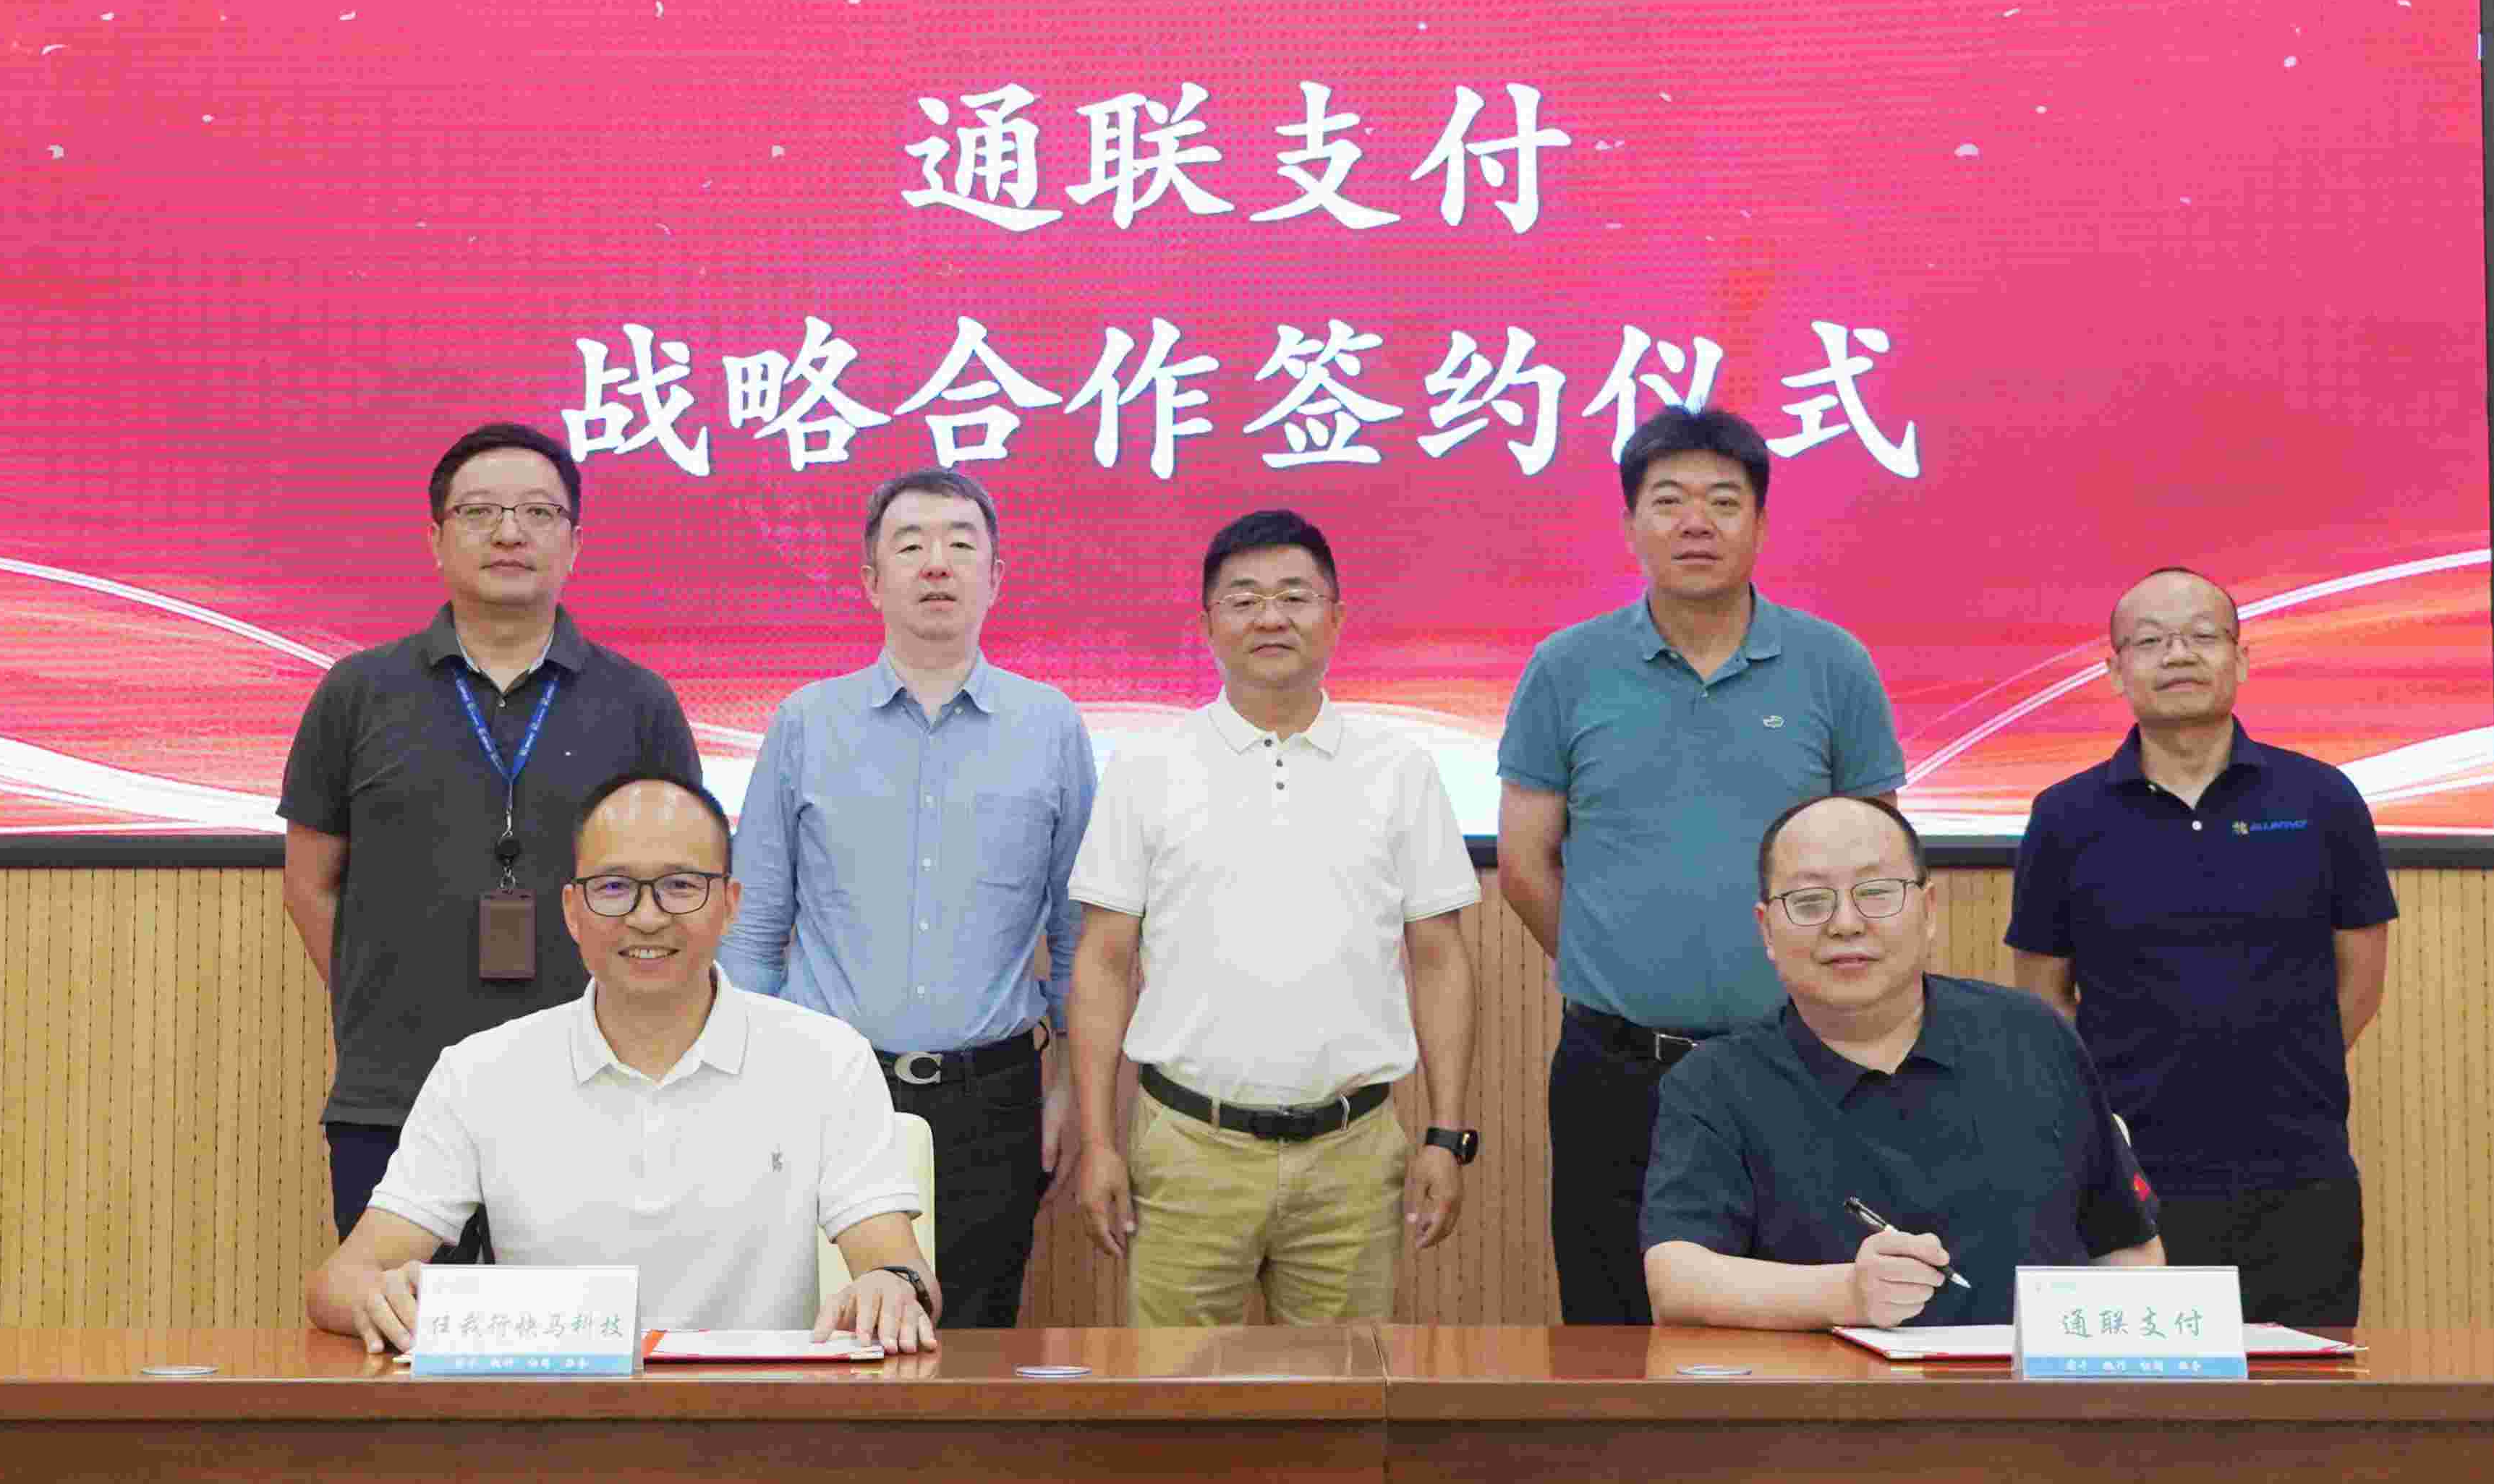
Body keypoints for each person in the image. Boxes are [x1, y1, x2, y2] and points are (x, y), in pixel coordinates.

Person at [1497, 406, 1907, 1325]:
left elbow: (1877, 862)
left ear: (1760, 524)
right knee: (1612, 1319)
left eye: (1724, 501)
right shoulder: (1567, 666)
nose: (1696, 522)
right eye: (1669, 500)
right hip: (1615, 1068)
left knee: (1806, 1309)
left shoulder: (1832, 664)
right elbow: (1525, 863)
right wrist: (1619, 965)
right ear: (1630, 524)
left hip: (1799, 1058)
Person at [307, 772, 938, 1355]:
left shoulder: (826, 1059)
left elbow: (899, 1265)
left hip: (763, 1417)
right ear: (571, 910)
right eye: (613, 887)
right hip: (552, 1419)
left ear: (730, 904)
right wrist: (376, 1294)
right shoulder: (481, 1072)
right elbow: (340, 1281)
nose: (647, 916)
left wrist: (892, 1286)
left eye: (681, 886)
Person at [280, 421, 703, 1253]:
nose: (510, 532)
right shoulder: (358, 693)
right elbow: (309, 882)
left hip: (597, 1093)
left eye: (539, 512)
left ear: (574, 543)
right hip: (396, 1095)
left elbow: (681, 891)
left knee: (586, 1327)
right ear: (435, 539)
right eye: (480, 511)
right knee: (399, 1325)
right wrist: (382, 997)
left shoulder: (640, 703)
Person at [1068, 509, 1481, 1327]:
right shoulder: (1147, 767)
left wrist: (1445, 1134)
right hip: (1187, 1149)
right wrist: (1100, 1141)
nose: (1270, 617)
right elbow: (1103, 961)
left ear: (1336, 617)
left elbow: (1440, 959)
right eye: (1244, 599)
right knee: (1175, 1393)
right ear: (1207, 624)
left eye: (1295, 596)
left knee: (1343, 1394)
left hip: (1353, 1155)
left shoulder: (1398, 768)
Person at [728, 467, 1097, 1329]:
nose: (937, 562)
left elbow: (1081, 935)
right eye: (911, 544)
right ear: (871, 579)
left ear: (995, 577)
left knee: (970, 1345)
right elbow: (751, 931)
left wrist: (1073, 1091)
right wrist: (751, 1092)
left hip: (992, 1100)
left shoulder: (1051, 726)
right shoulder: (805, 723)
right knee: (820, 1336)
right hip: (825, 1089)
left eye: (961, 543)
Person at [2006, 566, 2397, 1326]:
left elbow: (2360, 978)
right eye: (2150, 641)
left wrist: (2283, 1065)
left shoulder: (2322, 799)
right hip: (2126, 1172)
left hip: (2297, 1166)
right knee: (2133, 1387)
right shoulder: (2064, 816)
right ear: (2114, 670)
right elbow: (2042, 993)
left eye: (2201, 636)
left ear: (2241, 659)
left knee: (2303, 1379)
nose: (2178, 654)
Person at [1645, 794, 2164, 1327]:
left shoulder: (2032, 1036)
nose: (1845, 923)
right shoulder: (1715, 1082)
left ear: (1928, 910)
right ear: (1766, 931)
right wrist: (1847, 1293)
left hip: (2029, 1380)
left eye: (1876, 893)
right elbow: (1676, 1279)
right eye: (1809, 901)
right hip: (1825, 1382)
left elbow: (2127, 1247)